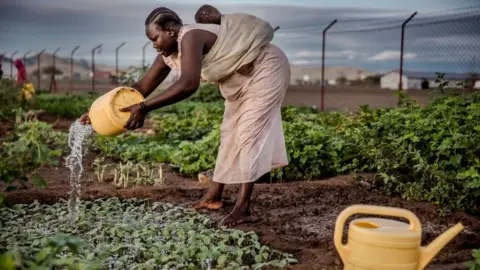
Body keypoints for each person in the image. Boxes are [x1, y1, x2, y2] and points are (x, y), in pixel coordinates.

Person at [80, 6, 290, 227]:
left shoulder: (190, 36)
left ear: (171, 30)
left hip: (265, 69)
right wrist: (99, 111)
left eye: (155, 38)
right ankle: (213, 198)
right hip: (238, 80)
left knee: (249, 133)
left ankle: (243, 208)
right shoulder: (169, 54)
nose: (154, 45)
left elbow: (188, 84)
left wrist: (144, 107)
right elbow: (141, 87)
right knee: (230, 133)